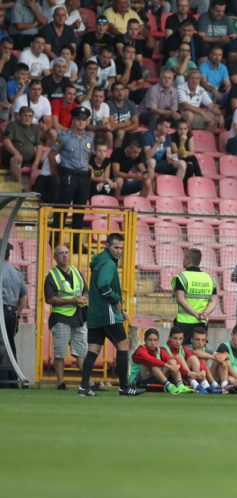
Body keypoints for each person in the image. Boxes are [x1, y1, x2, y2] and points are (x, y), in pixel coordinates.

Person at [78, 233, 145, 397]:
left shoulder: (100, 260)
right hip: (107, 313)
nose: (119, 251)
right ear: (108, 246)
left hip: (95, 314)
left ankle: (83, 387)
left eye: (121, 248)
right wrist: (116, 300)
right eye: (116, 247)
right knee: (123, 346)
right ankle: (124, 387)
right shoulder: (108, 263)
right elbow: (104, 285)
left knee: (93, 350)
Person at [44, 244, 88, 390]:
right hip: (61, 317)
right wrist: (71, 300)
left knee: (82, 352)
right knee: (60, 352)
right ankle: (61, 383)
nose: (64, 255)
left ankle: (89, 382)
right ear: (55, 257)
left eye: (67, 252)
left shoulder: (76, 271)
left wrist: (84, 298)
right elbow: (50, 299)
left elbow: (85, 290)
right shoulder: (51, 276)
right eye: (61, 253)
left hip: (78, 317)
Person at [48, 106, 92, 250]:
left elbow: (88, 156)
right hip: (68, 175)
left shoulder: (89, 138)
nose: (81, 122)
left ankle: (76, 243)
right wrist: (56, 175)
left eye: (84, 120)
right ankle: (55, 241)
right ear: (73, 120)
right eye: (78, 119)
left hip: (83, 177)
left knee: (79, 211)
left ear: (87, 121)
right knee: (62, 209)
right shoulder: (64, 136)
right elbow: (52, 155)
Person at [171, 248, 218, 344]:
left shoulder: (182, 277)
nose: (183, 260)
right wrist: (205, 313)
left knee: (182, 351)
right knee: (199, 350)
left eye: (184, 258)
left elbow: (180, 299)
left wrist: (195, 314)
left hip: (184, 322)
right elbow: (213, 301)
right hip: (202, 322)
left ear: (188, 259)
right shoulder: (209, 278)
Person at [129, 328, 194, 393]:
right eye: (150, 340)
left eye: (155, 340)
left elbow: (172, 363)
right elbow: (150, 360)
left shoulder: (160, 350)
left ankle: (180, 385)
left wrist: (186, 372)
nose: (152, 343)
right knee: (153, 365)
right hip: (138, 380)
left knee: (172, 362)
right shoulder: (140, 350)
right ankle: (168, 386)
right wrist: (168, 366)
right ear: (145, 340)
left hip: (156, 378)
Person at [2, 105, 42, 189]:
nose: (27, 118)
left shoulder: (35, 128)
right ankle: (20, 187)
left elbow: (39, 146)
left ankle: (39, 187)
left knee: (50, 157)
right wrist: (16, 153)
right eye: (25, 115)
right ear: (19, 116)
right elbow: (6, 141)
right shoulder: (12, 125)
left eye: (30, 116)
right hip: (13, 156)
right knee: (16, 160)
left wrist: (36, 163)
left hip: (29, 158)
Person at [1, 244, 27, 361]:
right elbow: (23, 299)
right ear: (9, 254)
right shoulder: (16, 273)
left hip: (1, 311)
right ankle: (12, 376)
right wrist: (17, 313)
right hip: (11, 313)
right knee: (10, 344)